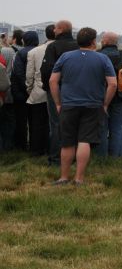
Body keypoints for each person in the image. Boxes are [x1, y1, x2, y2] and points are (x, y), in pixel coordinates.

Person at [48, 28, 117, 186]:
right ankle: (79, 178)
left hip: (69, 104)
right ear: (93, 41)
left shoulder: (65, 57)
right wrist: (105, 104)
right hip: (93, 104)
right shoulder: (103, 58)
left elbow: (53, 81)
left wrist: (58, 103)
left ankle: (64, 177)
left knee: (67, 142)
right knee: (84, 140)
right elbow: (112, 84)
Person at [40, 20, 78, 166]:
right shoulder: (77, 45)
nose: (53, 30)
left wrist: (46, 87)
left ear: (61, 29)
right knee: (73, 124)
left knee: (56, 124)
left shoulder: (53, 46)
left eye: (55, 28)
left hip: (57, 88)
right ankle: (73, 157)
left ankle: (56, 158)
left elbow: (46, 69)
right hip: (75, 90)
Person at [25, 25, 54, 157]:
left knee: (37, 124)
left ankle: (36, 151)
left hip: (38, 91)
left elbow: (29, 75)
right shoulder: (67, 49)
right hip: (59, 92)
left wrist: (30, 90)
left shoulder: (34, 52)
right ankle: (53, 149)